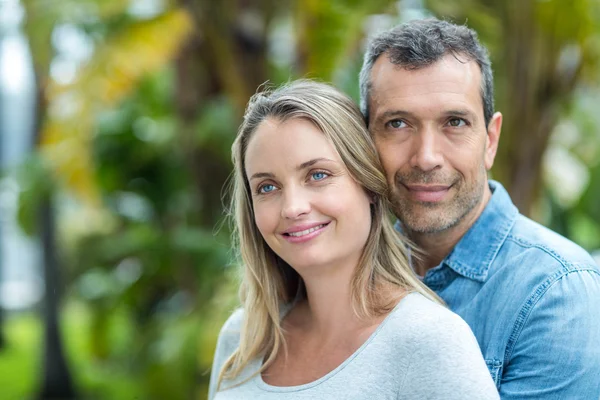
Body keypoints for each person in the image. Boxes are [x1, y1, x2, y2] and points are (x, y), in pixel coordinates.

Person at [208, 80, 499, 399]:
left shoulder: (429, 341)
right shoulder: (242, 338)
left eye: (317, 175)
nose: (292, 207)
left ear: (369, 186)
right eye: (267, 187)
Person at [359, 18, 600, 399]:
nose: (426, 158)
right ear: (365, 139)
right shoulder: (349, 276)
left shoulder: (558, 295)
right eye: (398, 123)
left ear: (490, 140)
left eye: (454, 122)